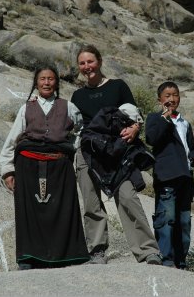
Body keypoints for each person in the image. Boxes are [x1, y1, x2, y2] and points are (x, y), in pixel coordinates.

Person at [71, 44, 162, 265]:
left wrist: (134, 128)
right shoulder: (77, 95)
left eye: (90, 61)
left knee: (128, 197)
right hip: (88, 152)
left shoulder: (118, 86)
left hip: (116, 151)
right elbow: (73, 124)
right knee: (91, 202)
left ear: (99, 62)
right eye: (82, 63)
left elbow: (134, 114)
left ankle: (147, 250)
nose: (87, 67)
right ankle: (97, 250)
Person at [0, 65, 90, 270]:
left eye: (50, 79)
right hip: (28, 167)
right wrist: (7, 170)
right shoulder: (27, 108)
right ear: (36, 83)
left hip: (60, 167)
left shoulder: (68, 107)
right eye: (42, 79)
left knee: (63, 211)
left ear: (56, 82)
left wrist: (72, 147)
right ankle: (29, 258)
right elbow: (12, 140)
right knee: (29, 213)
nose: (47, 83)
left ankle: (64, 256)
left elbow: (81, 129)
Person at [144, 81, 194, 269]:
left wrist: (192, 157)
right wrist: (165, 119)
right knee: (166, 217)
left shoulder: (185, 123)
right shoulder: (154, 118)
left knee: (184, 221)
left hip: (185, 177)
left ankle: (181, 260)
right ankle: (166, 257)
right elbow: (152, 138)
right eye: (167, 95)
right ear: (159, 99)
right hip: (167, 175)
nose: (171, 99)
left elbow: (192, 146)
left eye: (175, 95)